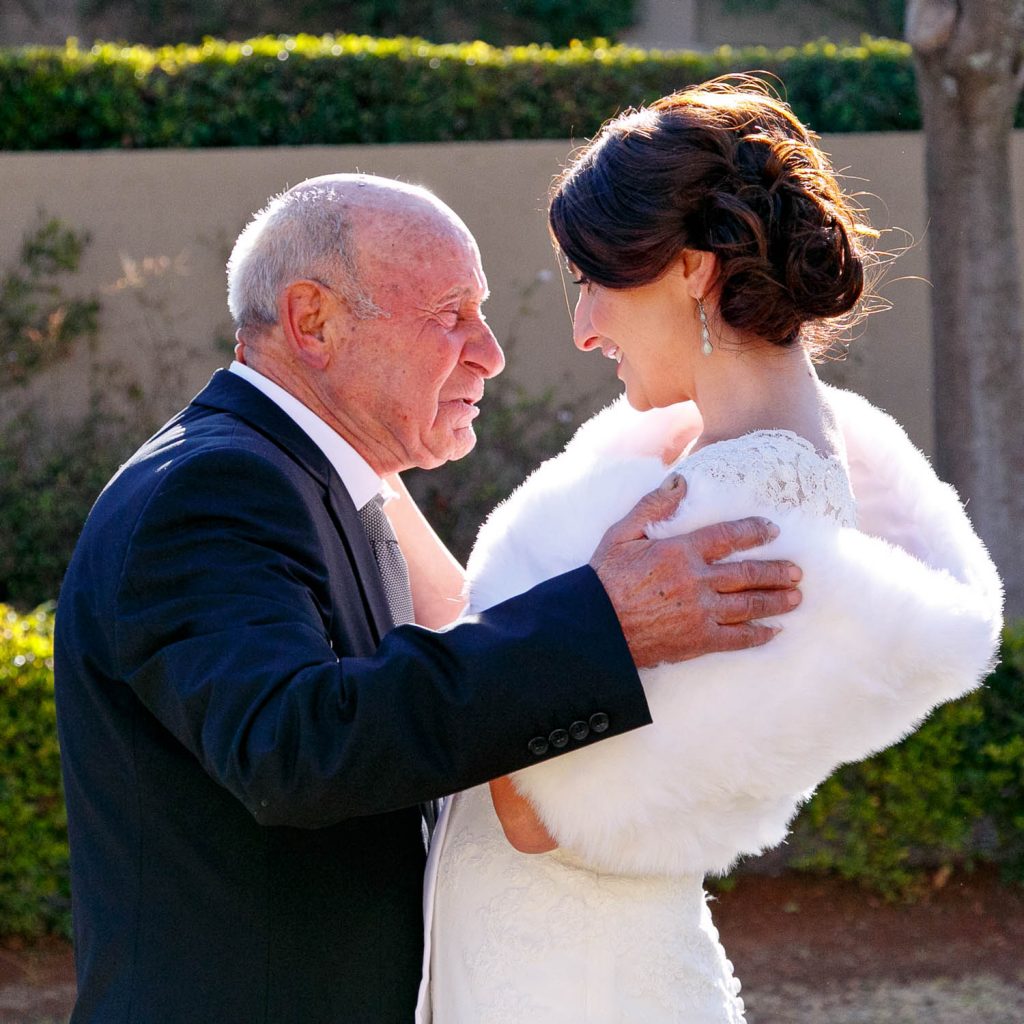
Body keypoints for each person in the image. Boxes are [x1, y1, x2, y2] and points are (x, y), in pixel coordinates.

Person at [52, 172, 806, 1022]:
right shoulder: (212, 488)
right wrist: (606, 621)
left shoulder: (317, 483)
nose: (490, 350)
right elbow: (294, 746)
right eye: (451, 316)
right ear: (313, 322)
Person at [421, 78, 1004, 1022]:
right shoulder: (715, 472)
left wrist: (518, 636)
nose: (584, 329)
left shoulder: (750, 516)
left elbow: (537, 814)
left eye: (595, 281)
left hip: (573, 986)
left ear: (693, 270)